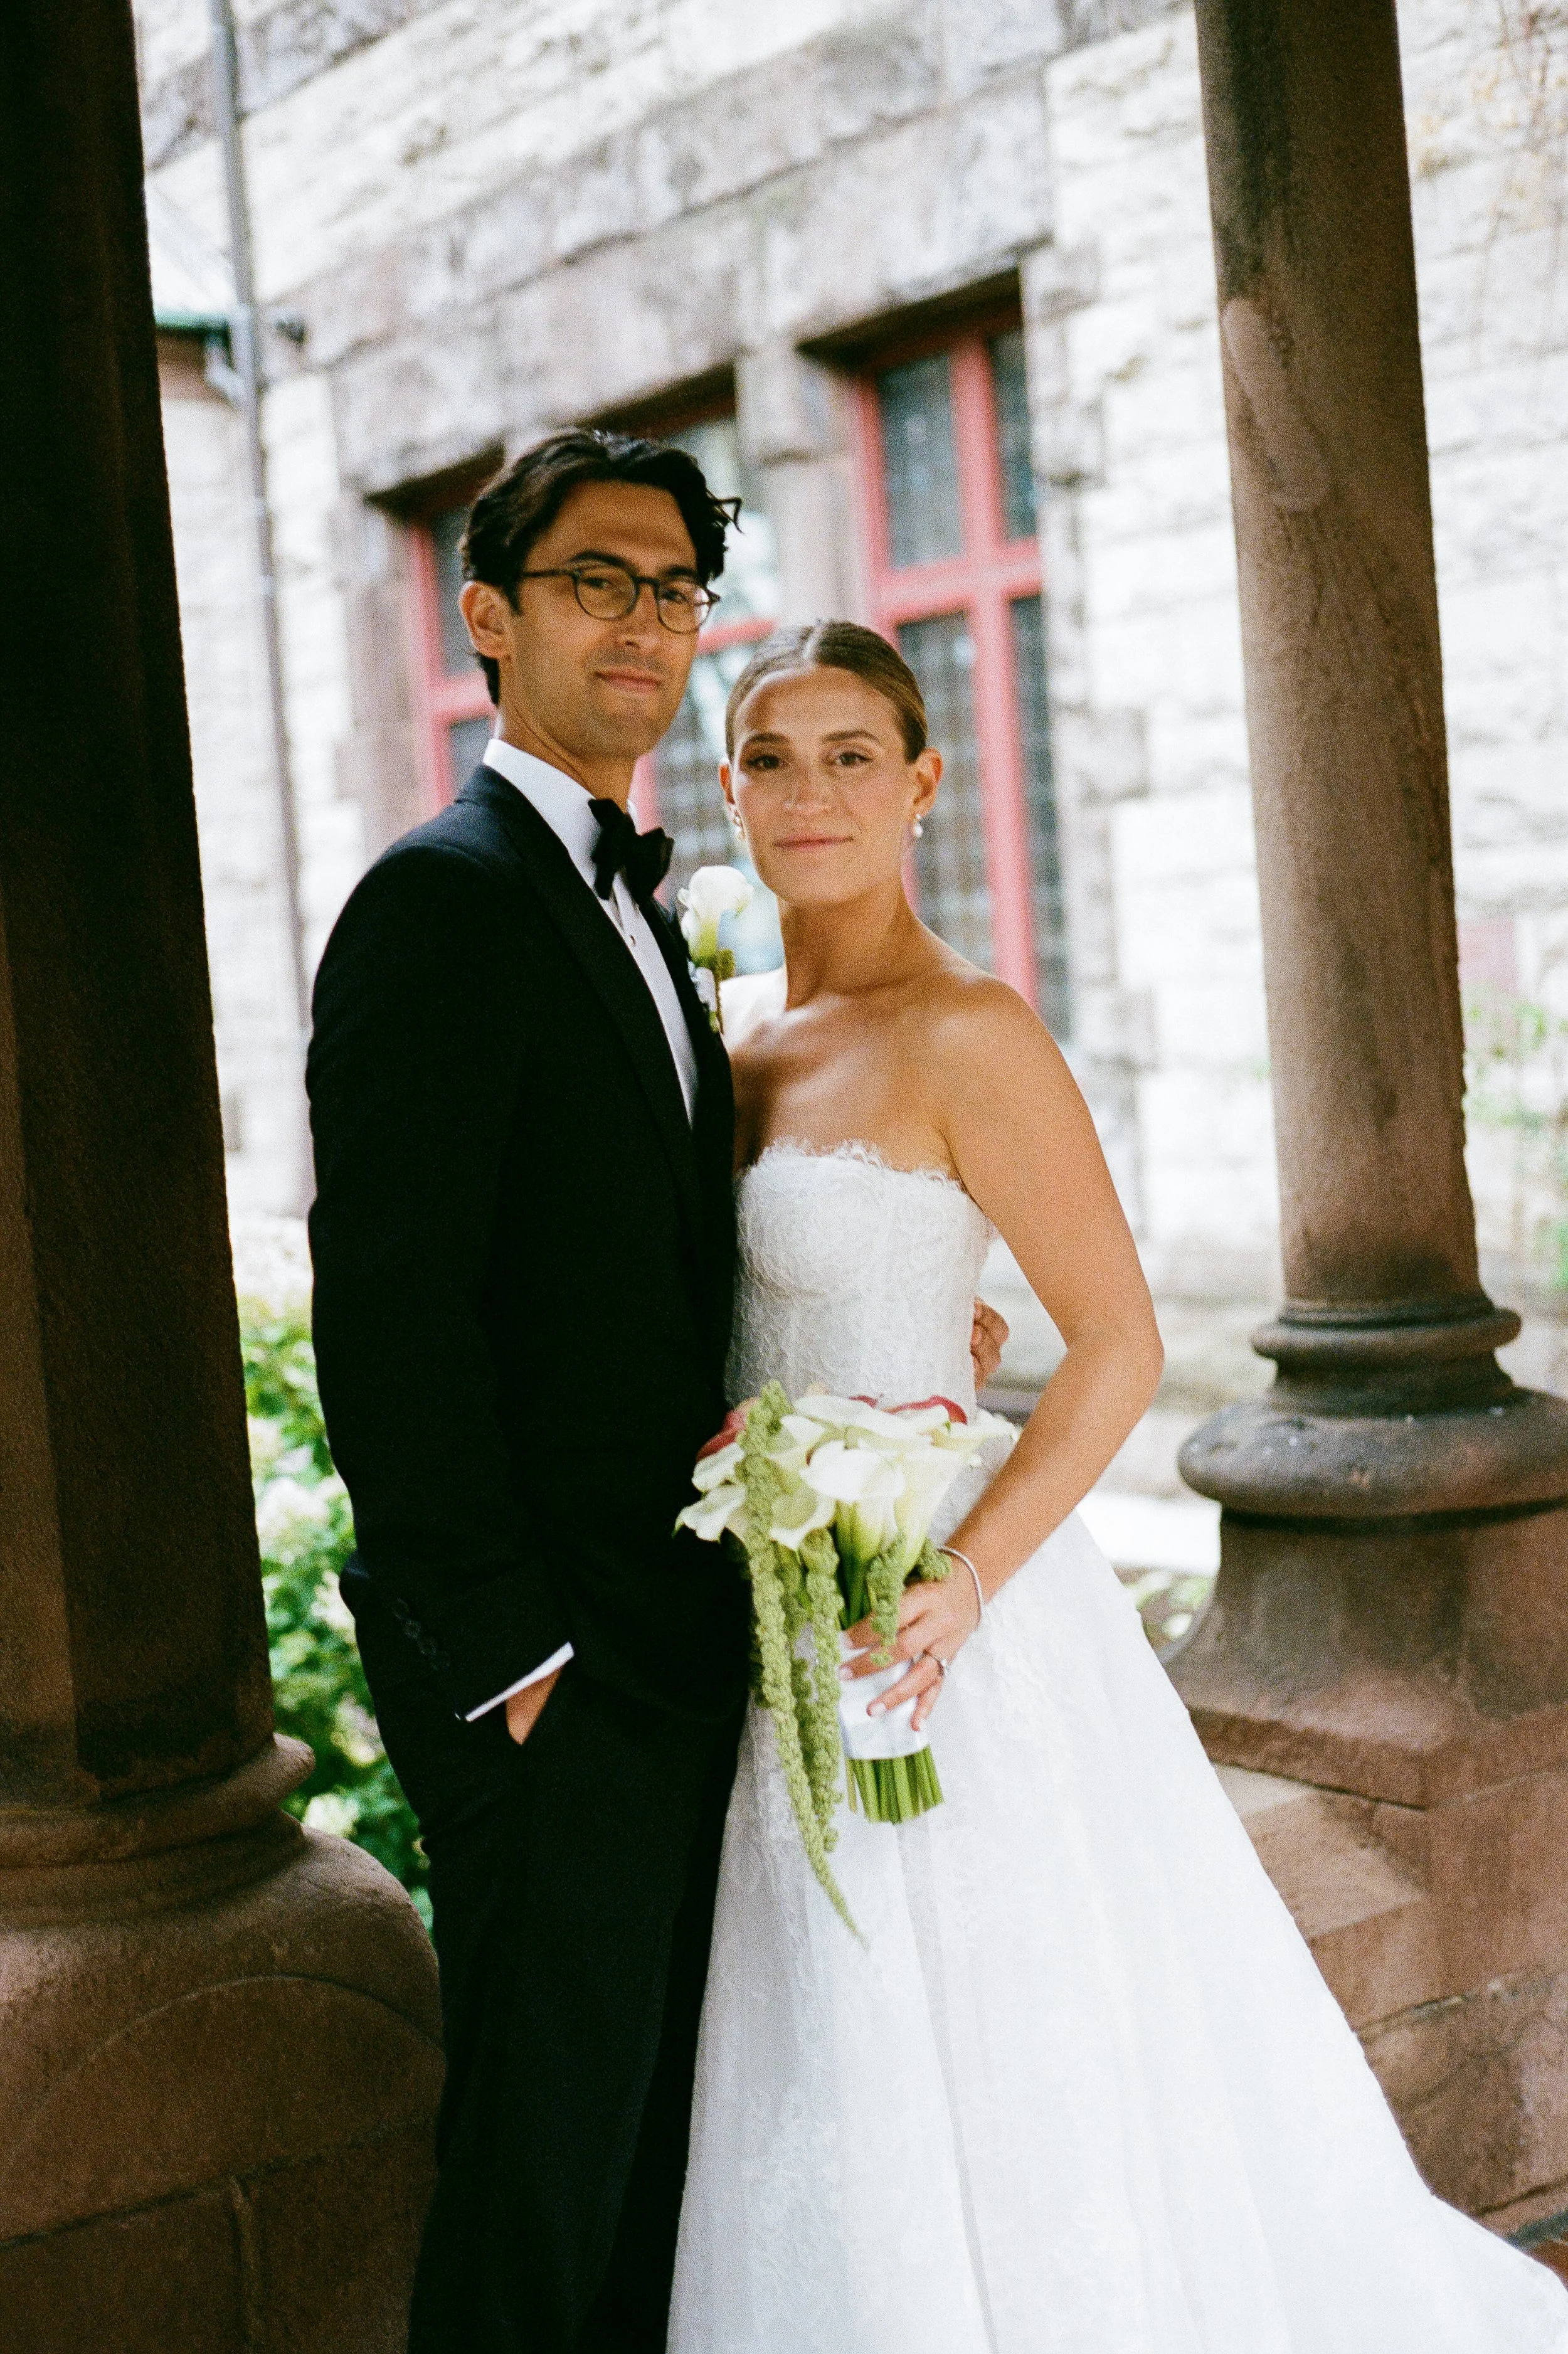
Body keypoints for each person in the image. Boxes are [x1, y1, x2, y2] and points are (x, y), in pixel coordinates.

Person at [667, 621, 1568, 2354]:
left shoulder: (970, 1032)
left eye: (855, 754)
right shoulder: (751, 1053)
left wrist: (961, 1585)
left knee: (1009, 2042)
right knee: (830, 2033)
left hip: (945, 1625)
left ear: (924, 784)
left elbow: (1120, 1347)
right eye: (771, 759)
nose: (811, 793)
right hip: (774, 1611)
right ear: (729, 794)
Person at [306, 440, 1005, 2353]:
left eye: (676, 585)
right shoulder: (436, 904)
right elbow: (387, 1317)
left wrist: (887, 1348)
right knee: (541, 2180)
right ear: (490, 618)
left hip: (681, 1633)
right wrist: (514, 1658)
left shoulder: (635, 908)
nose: (642, 620)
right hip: (554, 1673)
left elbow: (645, 1266)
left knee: (645, 2178)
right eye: (595, 579)